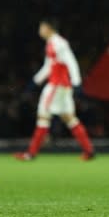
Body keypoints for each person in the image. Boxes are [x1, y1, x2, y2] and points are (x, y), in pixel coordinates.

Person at [14, 19, 95, 161]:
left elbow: (71, 62)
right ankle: (89, 150)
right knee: (69, 118)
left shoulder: (59, 43)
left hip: (56, 86)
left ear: (49, 28)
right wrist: (35, 81)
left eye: (41, 27)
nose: (40, 30)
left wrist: (77, 83)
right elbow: (48, 66)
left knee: (43, 116)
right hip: (63, 87)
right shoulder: (52, 43)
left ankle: (30, 153)